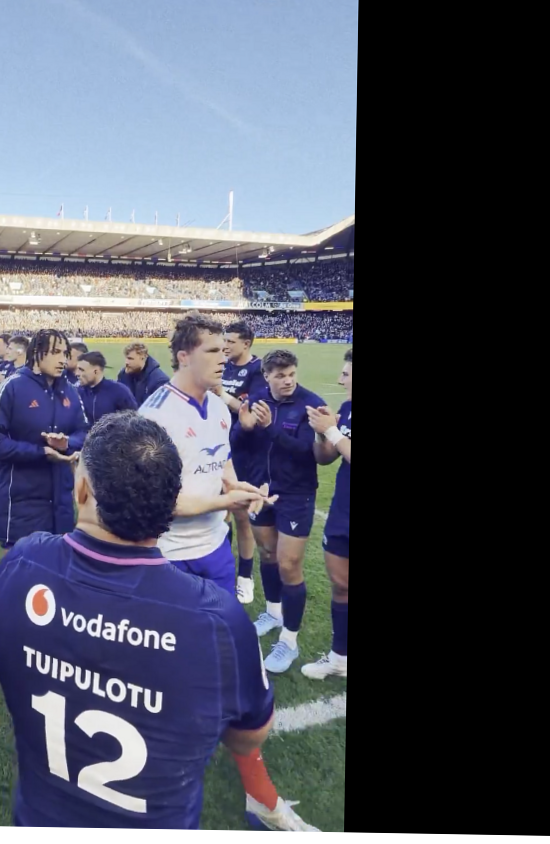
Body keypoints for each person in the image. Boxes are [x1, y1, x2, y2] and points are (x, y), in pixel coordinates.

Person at [0, 413, 275, 829]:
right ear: (171, 501)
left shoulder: (24, 562)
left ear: (82, 489)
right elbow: (249, 735)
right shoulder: (217, 619)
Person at [136, 315, 316, 832]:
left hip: (214, 551)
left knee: (231, 659)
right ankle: (156, 763)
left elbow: (220, 462)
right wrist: (226, 501)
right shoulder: (156, 415)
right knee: (166, 665)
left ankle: (259, 797)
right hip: (167, 556)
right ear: (184, 356)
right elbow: (162, 502)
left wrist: (240, 489)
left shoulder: (218, 405)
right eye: (213, 351)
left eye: (224, 349)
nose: (225, 358)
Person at [234, 350, 327, 675]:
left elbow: (307, 451)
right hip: (262, 490)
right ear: (267, 376)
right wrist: (244, 428)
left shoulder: (310, 404)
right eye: (280, 376)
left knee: (289, 565)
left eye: (291, 375)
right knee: (267, 553)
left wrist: (271, 428)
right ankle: (273, 613)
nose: (288, 381)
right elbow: (238, 444)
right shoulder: (257, 399)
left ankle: (289, 640)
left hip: (296, 494)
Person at [0, 329, 88, 549]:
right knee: (19, 567)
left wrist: (67, 443)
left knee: (56, 566)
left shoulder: (70, 391)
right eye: (56, 352)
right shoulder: (11, 387)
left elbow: (84, 433)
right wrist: (40, 452)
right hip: (20, 502)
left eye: (65, 353)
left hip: (61, 502)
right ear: (37, 352)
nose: (63, 359)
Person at [300, 348, 350, 681]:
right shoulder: (347, 409)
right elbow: (325, 457)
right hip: (343, 511)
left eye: (346, 374)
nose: (339, 379)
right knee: (341, 585)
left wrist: (332, 431)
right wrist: (321, 432)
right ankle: (339, 659)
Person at [220, 322, 268, 604]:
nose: (225, 345)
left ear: (246, 344)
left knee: (241, 515)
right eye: (224, 340)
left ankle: (245, 577)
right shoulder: (222, 366)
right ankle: (224, 569)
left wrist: (222, 394)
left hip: (244, 452)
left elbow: (252, 412)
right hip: (217, 447)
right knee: (218, 512)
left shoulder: (257, 370)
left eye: (231, 341)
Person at [74, 350, 137, 428]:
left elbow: (133, 423)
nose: (77, 373)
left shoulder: (120, 391)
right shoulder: (77, 392)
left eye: (81, 370)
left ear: (96, 371)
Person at [115, 341, 170, 407]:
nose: (126, 362)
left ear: (143, 358)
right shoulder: (123, 375)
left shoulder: (159, 380)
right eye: (126, 358)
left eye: (130, 359)